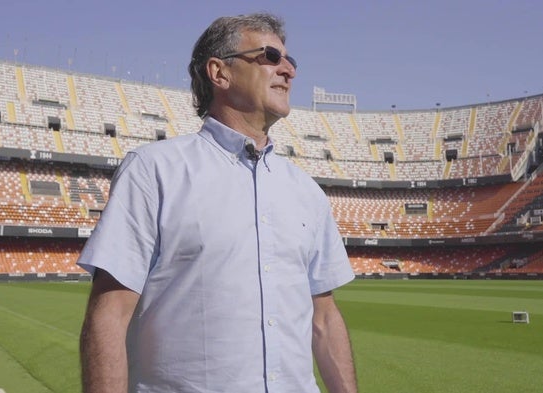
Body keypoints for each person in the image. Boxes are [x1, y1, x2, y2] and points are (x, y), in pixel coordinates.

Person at [78, 12, 358, 393]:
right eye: (271, 57)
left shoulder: (306, 191)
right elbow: (108, 315)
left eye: (292, 61)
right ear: (219, 73)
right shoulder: (154, 171)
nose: (288, 70)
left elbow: (324, 319)